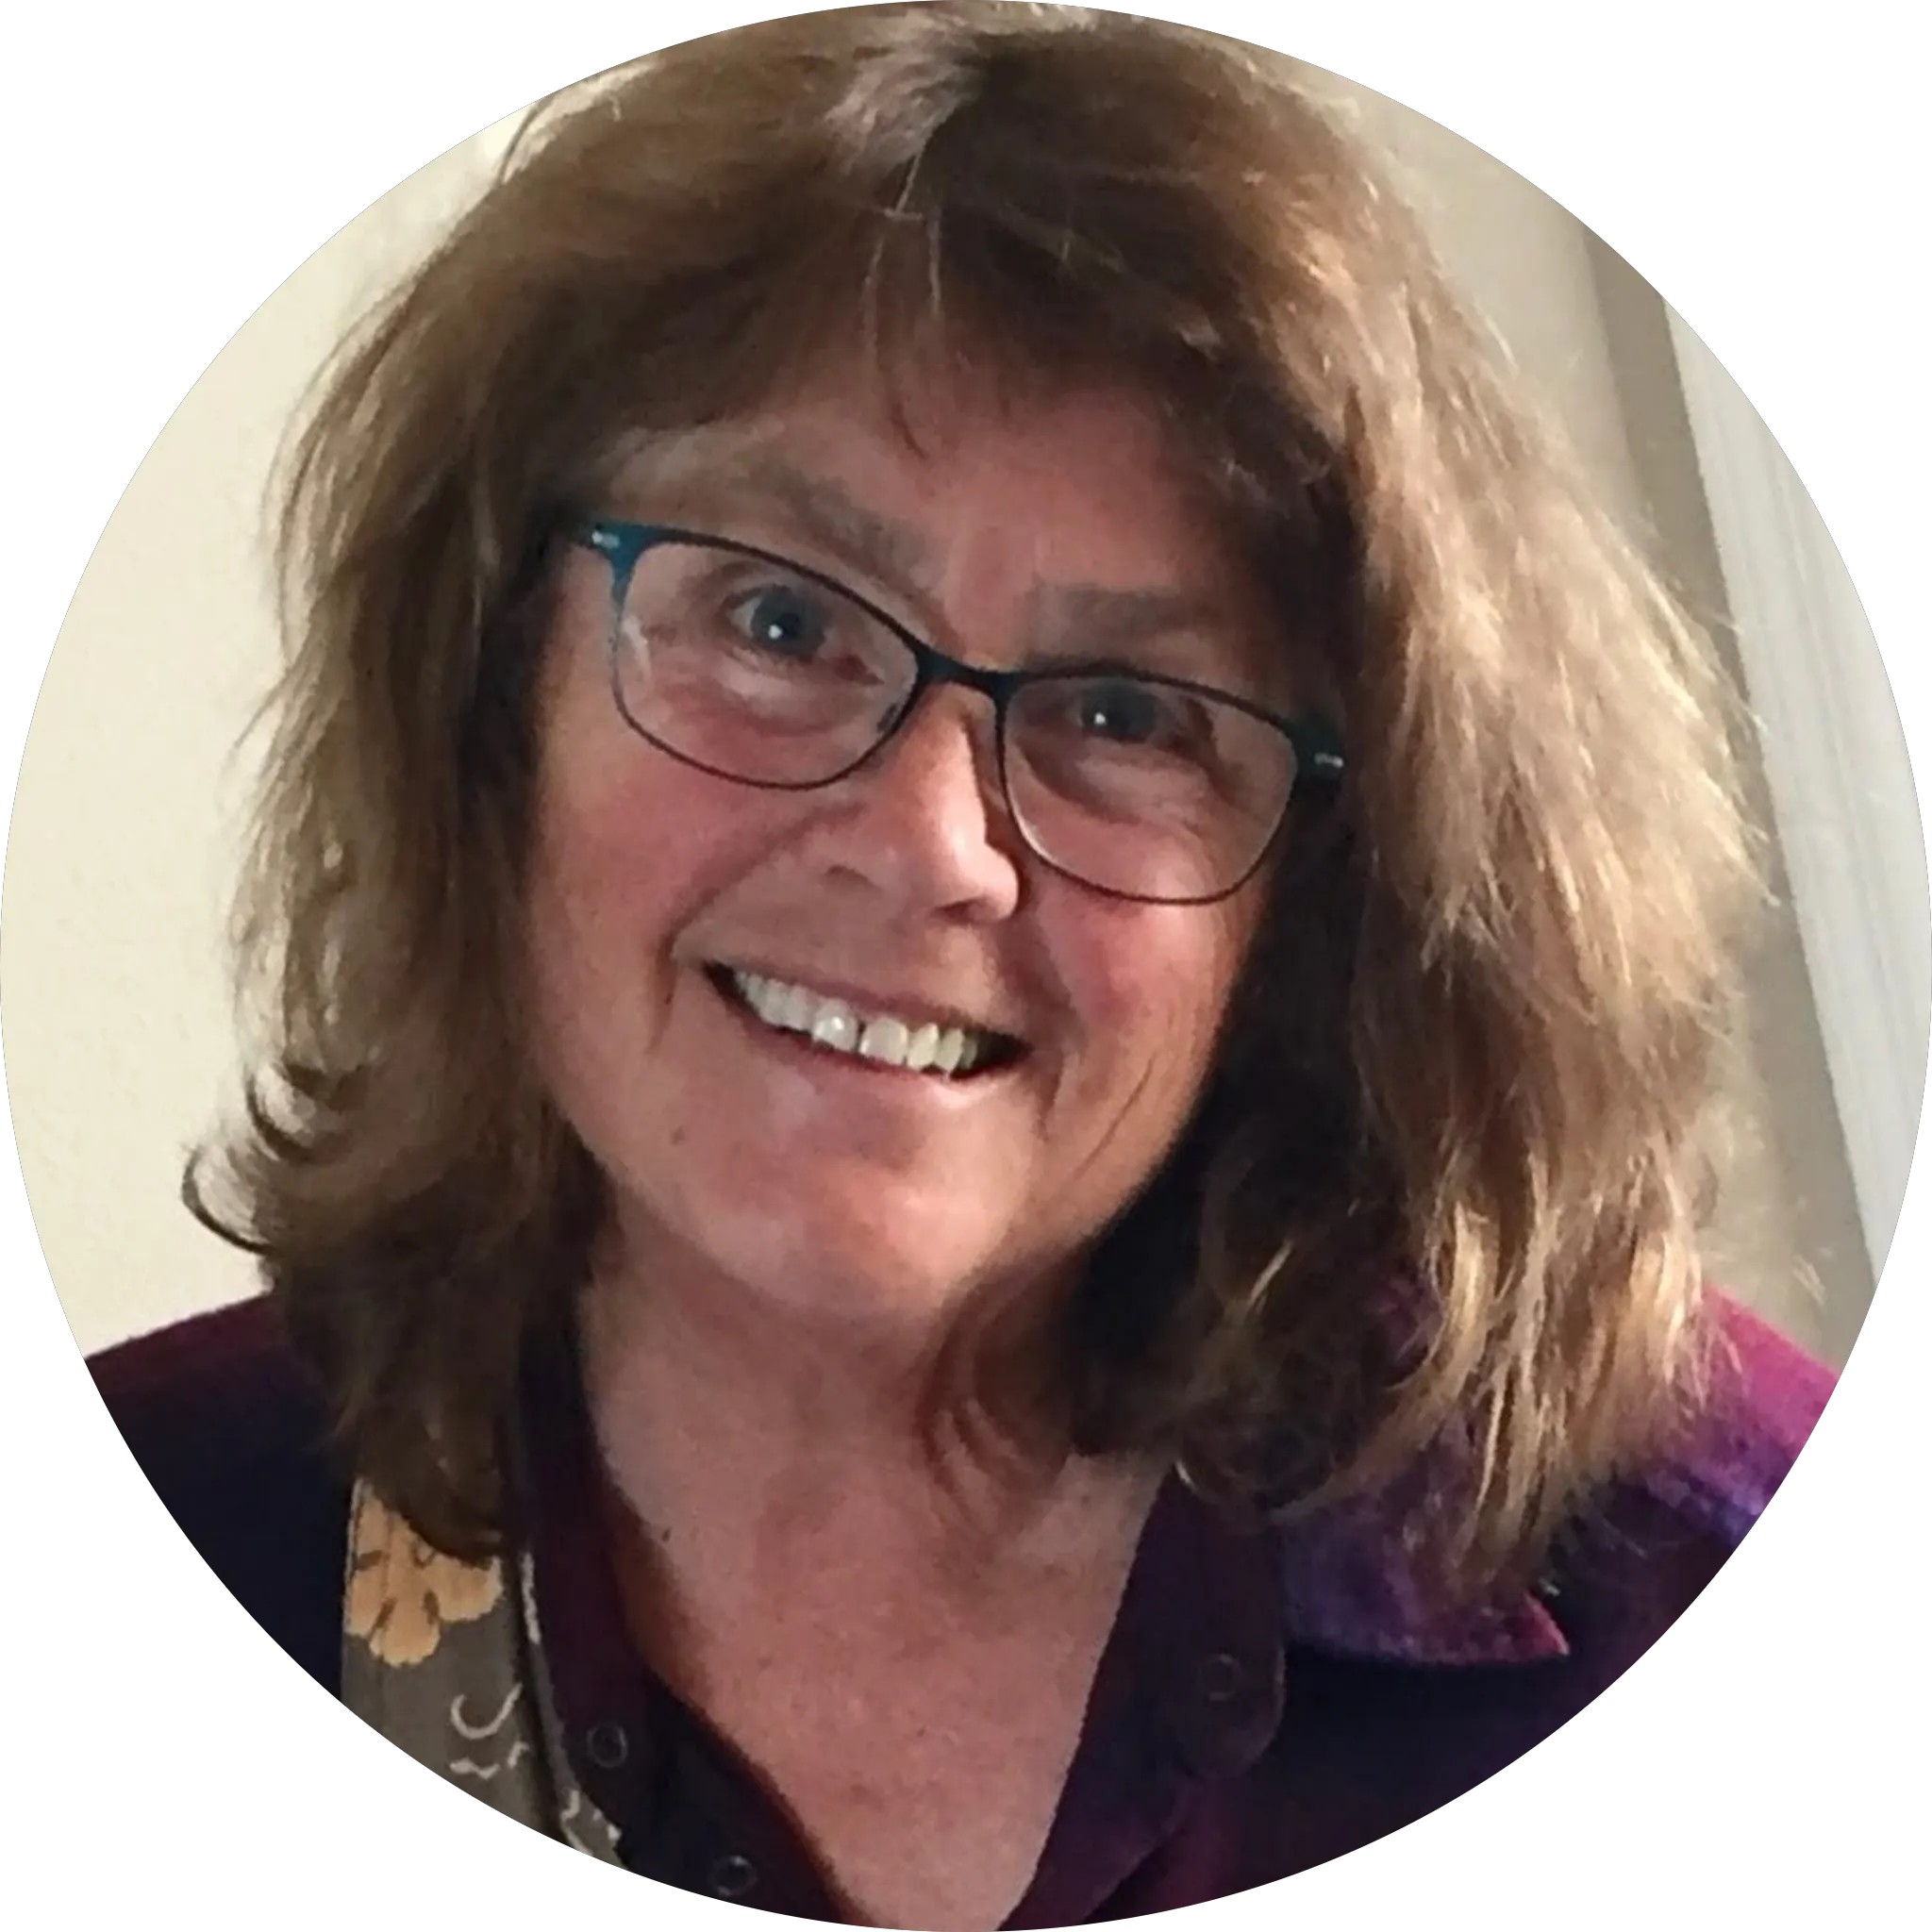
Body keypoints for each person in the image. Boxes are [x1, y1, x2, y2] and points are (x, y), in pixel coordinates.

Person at [85, 7, 1838, 1925]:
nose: (929, 842)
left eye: (1126, 713)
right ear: (494, 694)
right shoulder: (201, 1502)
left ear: (1326, 899)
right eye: (777, 622)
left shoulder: (1680, 1562)